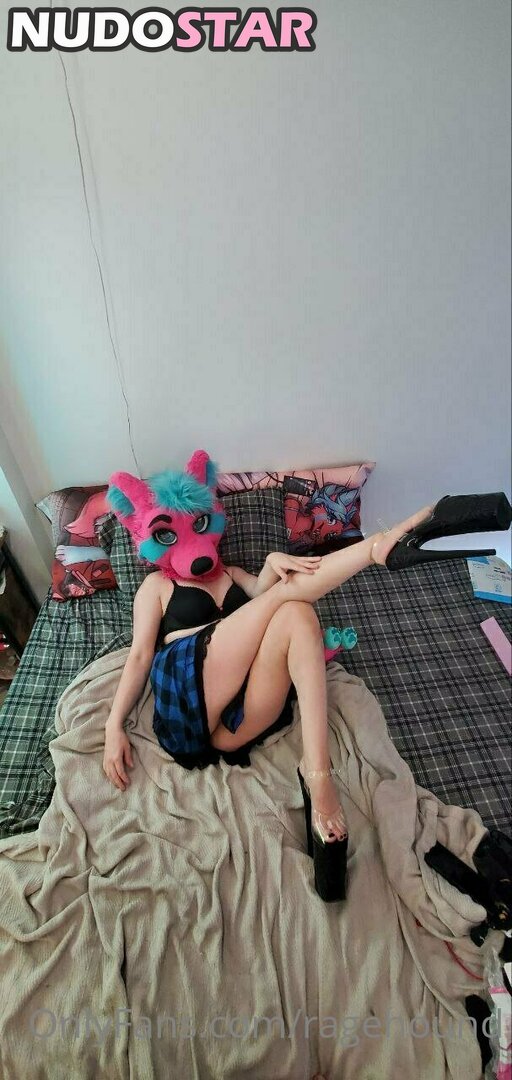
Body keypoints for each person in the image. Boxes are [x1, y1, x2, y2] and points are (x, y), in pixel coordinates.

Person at [102, 451, 510, 901]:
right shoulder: (157, 588)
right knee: (283, 600)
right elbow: (140, 656)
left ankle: (317, 773)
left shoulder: (233, 574)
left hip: (236, 725)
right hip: (188, 703)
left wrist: (272, 566)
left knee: (296, 612)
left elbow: (265, 603)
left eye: (198, 523)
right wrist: (112, 725)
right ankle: (381, 545)